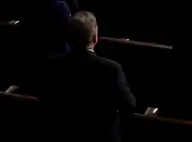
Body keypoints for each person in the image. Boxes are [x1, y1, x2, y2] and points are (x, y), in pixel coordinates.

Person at [34, 11, 136, 142]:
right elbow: (129, 105)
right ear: (95, 38)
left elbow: (43, 99)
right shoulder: (112, 70)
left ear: (69, 38)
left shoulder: (50, 65)